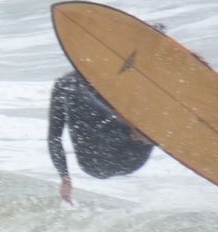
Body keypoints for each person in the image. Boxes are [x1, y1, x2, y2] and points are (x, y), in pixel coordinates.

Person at [48, 70, 155, 203]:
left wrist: (64, 175)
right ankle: (137, 132)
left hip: (129, 155)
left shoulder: (112, 76)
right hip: (96, 160)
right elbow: (54, 137)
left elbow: (54, 138)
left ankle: (140, 133)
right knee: (73, 89)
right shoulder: (68, 84)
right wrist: (64, 176)